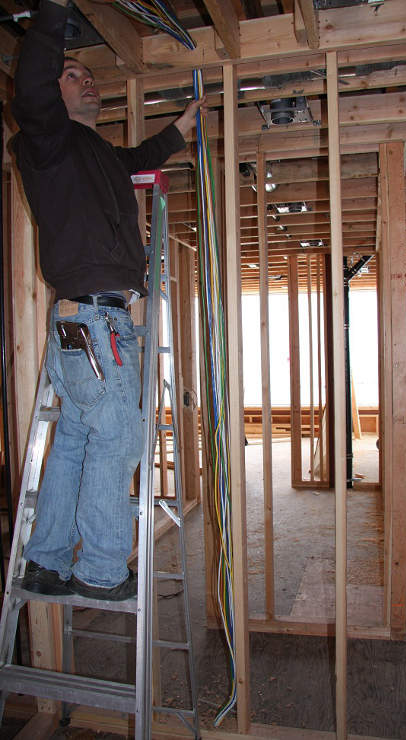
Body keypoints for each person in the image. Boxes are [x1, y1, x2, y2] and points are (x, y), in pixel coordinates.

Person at [11, 0, 206, 600]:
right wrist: (53, 12)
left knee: (75, 440)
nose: (86, 80)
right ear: (53, 93)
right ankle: (100, 569)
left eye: (89, 74)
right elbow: (30, 87)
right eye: (71, 75)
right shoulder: (47, 139)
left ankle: (46, 563)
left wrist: (181, 129)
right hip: (96, 319)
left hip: (82, 320)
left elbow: (139, 159)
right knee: (118, 440)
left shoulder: (95, 154)